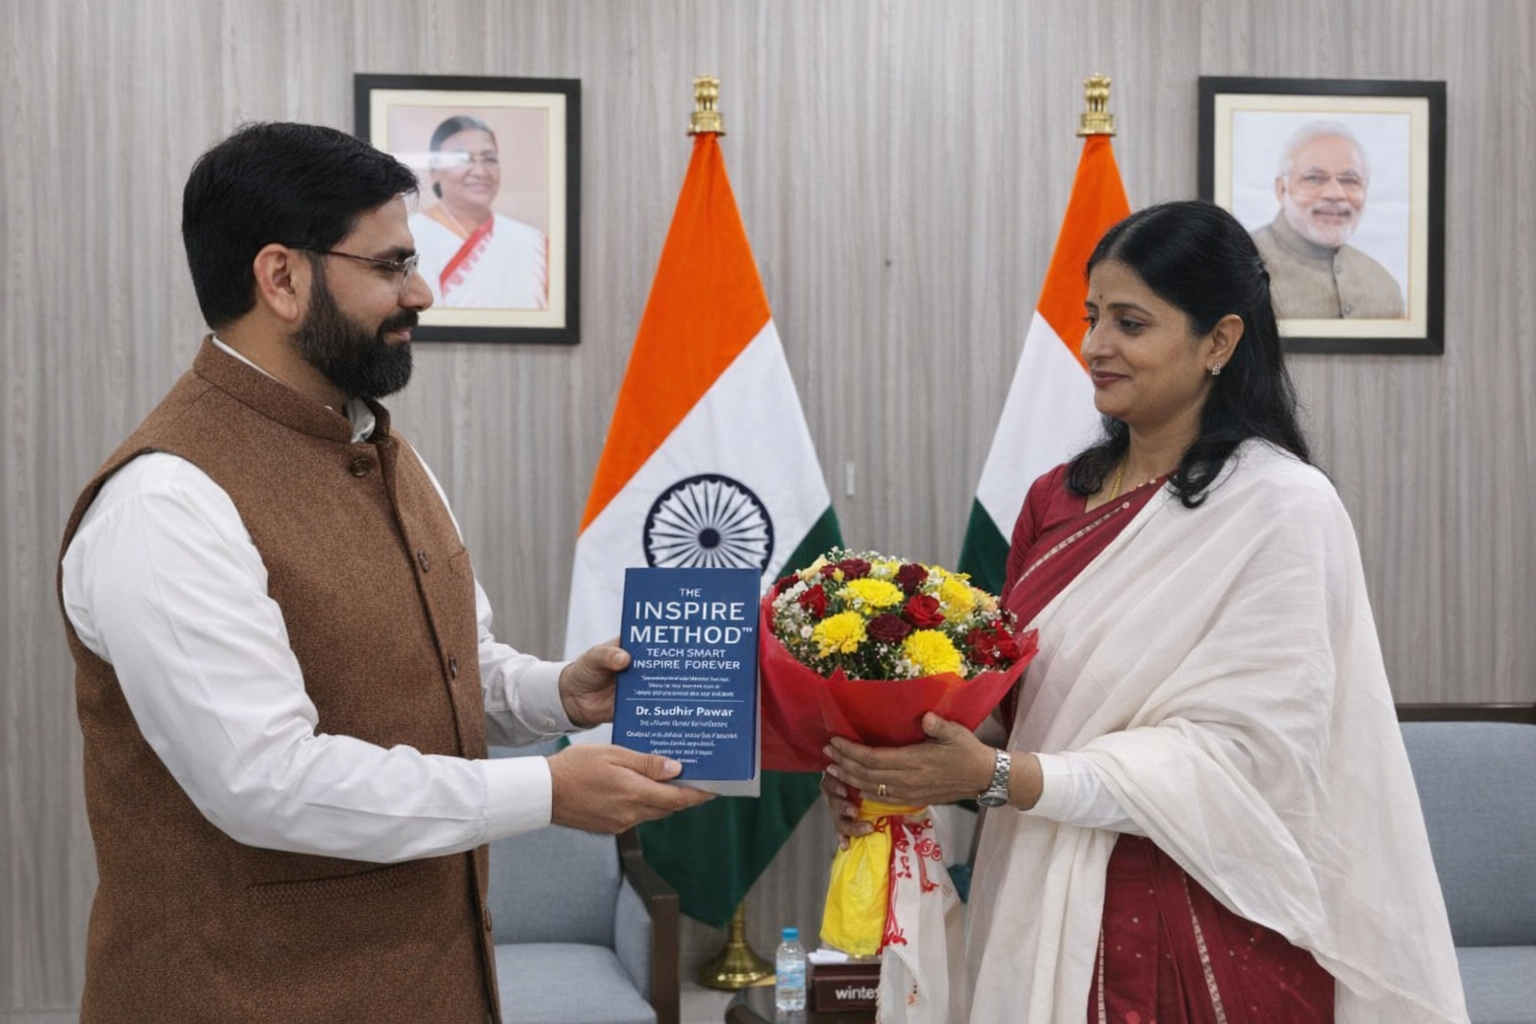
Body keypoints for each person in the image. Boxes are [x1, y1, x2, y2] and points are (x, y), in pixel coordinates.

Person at [56, 122, 710, 1024]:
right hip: (243, 997)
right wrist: (548, 790)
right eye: (393, 265)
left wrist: (560, 693)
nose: (423, 291)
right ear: (281, 278)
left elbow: (446, 667)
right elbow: (268, 782)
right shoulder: (165, 500)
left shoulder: (380, 447)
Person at [822, 201, 1467, 1022]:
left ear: (1220, 342)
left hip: (1201, 918)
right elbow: (1018, 726)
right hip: (1034, 891)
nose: (1094, 346)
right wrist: (901, 770)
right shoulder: (1055, 501)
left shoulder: (1281, 509)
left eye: (1131, 323)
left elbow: (1245, 762)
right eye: (1092, 317)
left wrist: (996, 775)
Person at [1250, 120, 1406, 319]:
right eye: (1314, 178)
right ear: (1281, 189)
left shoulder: (1383, 285)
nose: (1335, 194)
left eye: (1350, 180)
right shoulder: (1241, 264)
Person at [408, 114, 549, 309]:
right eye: (463, 159)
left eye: (490, 159)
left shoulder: (532, 242)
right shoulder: (411, 235)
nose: (481, 172)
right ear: (434, 171)